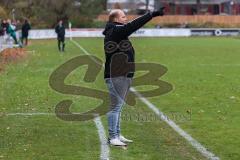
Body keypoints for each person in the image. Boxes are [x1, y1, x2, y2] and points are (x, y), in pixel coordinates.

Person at [102, 8, 165, 146]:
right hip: (117, 76)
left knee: (119, 107)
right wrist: (151, 15)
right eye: (123, 17)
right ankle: (113, 137)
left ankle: (117, 134)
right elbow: (133, 25)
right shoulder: (115, 31)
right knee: (115, 107)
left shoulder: (116, 32)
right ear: (116, 19)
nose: (126, 19)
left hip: (123, 75)